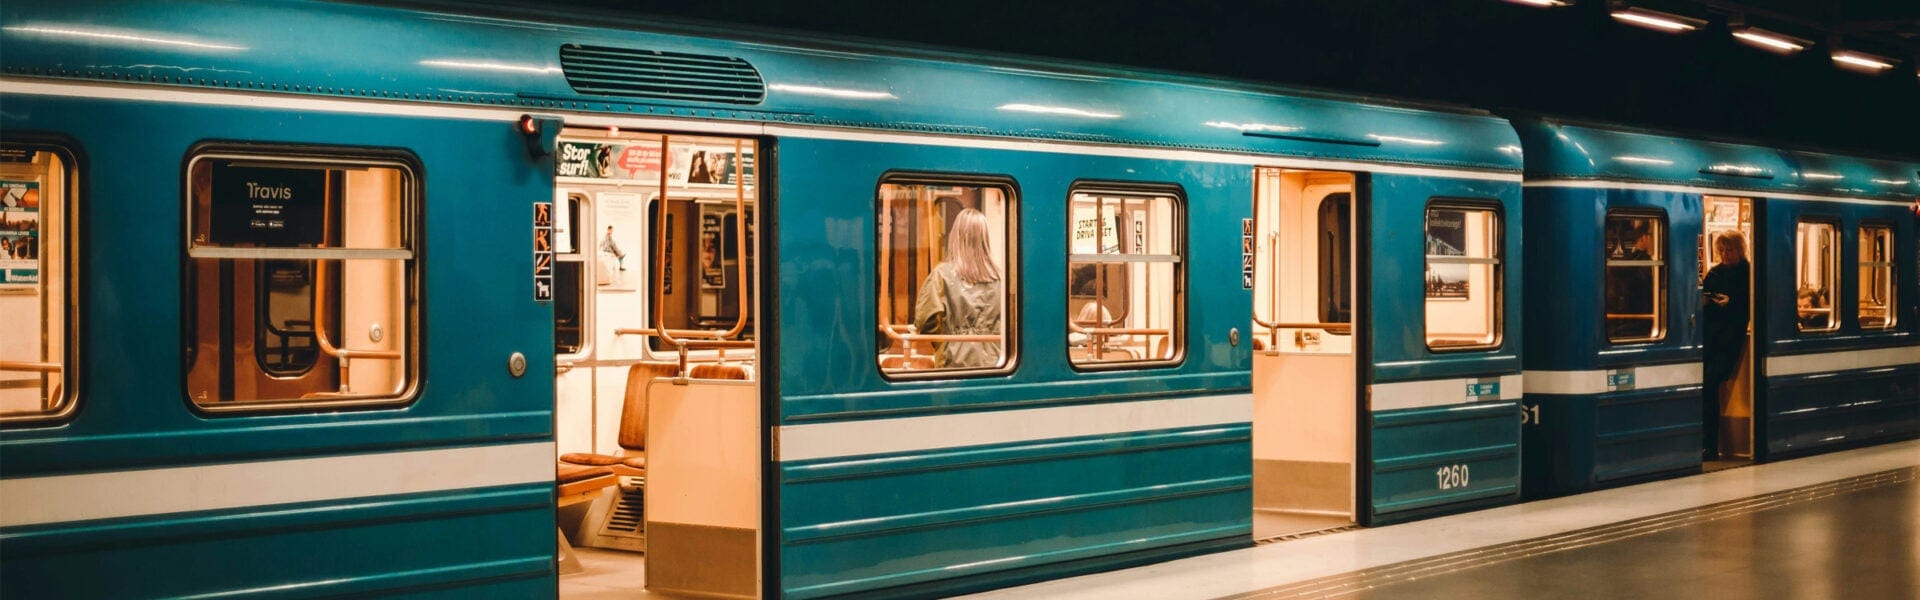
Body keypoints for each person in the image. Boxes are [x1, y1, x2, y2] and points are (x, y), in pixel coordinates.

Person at [913, 208, 1003, 369]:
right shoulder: (1001, 278)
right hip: (996, 363)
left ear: (955, 237)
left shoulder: (941, 274)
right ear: (985, 239)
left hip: (952, 362)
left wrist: (945, 339)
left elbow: (925, 320)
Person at [1700, 230, 1749, 460]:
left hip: (1731, 338)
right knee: (1706, 386)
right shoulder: (1714, 273)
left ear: (1739, 250)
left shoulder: (1748, 273)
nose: (1725, 254)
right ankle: (1707, 443)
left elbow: (1750, 307)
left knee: (1710, 384)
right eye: (1722, 250)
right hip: (1712, 338)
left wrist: (1731, 303)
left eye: (1729, 250)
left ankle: (1710, 445)